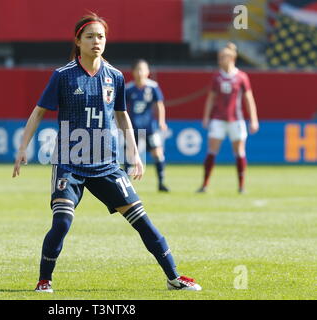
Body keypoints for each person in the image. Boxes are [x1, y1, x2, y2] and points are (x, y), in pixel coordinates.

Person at [12, 13, 201, 292]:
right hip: (71, 163)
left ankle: (174, 277)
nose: (96, 41)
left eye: (100, 36)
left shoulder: (115, 76)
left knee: (143, 221)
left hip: (107, 164)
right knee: (62, 222)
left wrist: (135, 154)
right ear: (78, 41)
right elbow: (39, 112)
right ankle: (44, 281)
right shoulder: (63, 76)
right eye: (89, 36)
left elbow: (122, 117)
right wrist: (22, 148)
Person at [197, 42, 259, 194]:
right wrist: (206, 117)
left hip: (236, 120)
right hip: (218, 119)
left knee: (239, 152)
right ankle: (204, 185)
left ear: (231, 58)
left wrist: (254, 119)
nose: (219, 61)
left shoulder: (241, 77)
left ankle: (241, 186)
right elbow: (211, 98)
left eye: (222, 57)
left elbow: (248, 99)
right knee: (212, 151)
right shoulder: (217, 77)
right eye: (219, 58)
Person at [125, 59, 170, 192]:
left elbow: (159, 105)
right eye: (137, 69)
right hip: (133, 128)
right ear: (133, 72)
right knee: (130, 155)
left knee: (157, 153)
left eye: (143, 69)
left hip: (150, 127)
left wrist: (161, 121)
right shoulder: (128, 88)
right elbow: (120, 109)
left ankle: (161, 183)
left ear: (148, 72)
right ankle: (127, 184)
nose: (140, 73)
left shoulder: (153, 87)